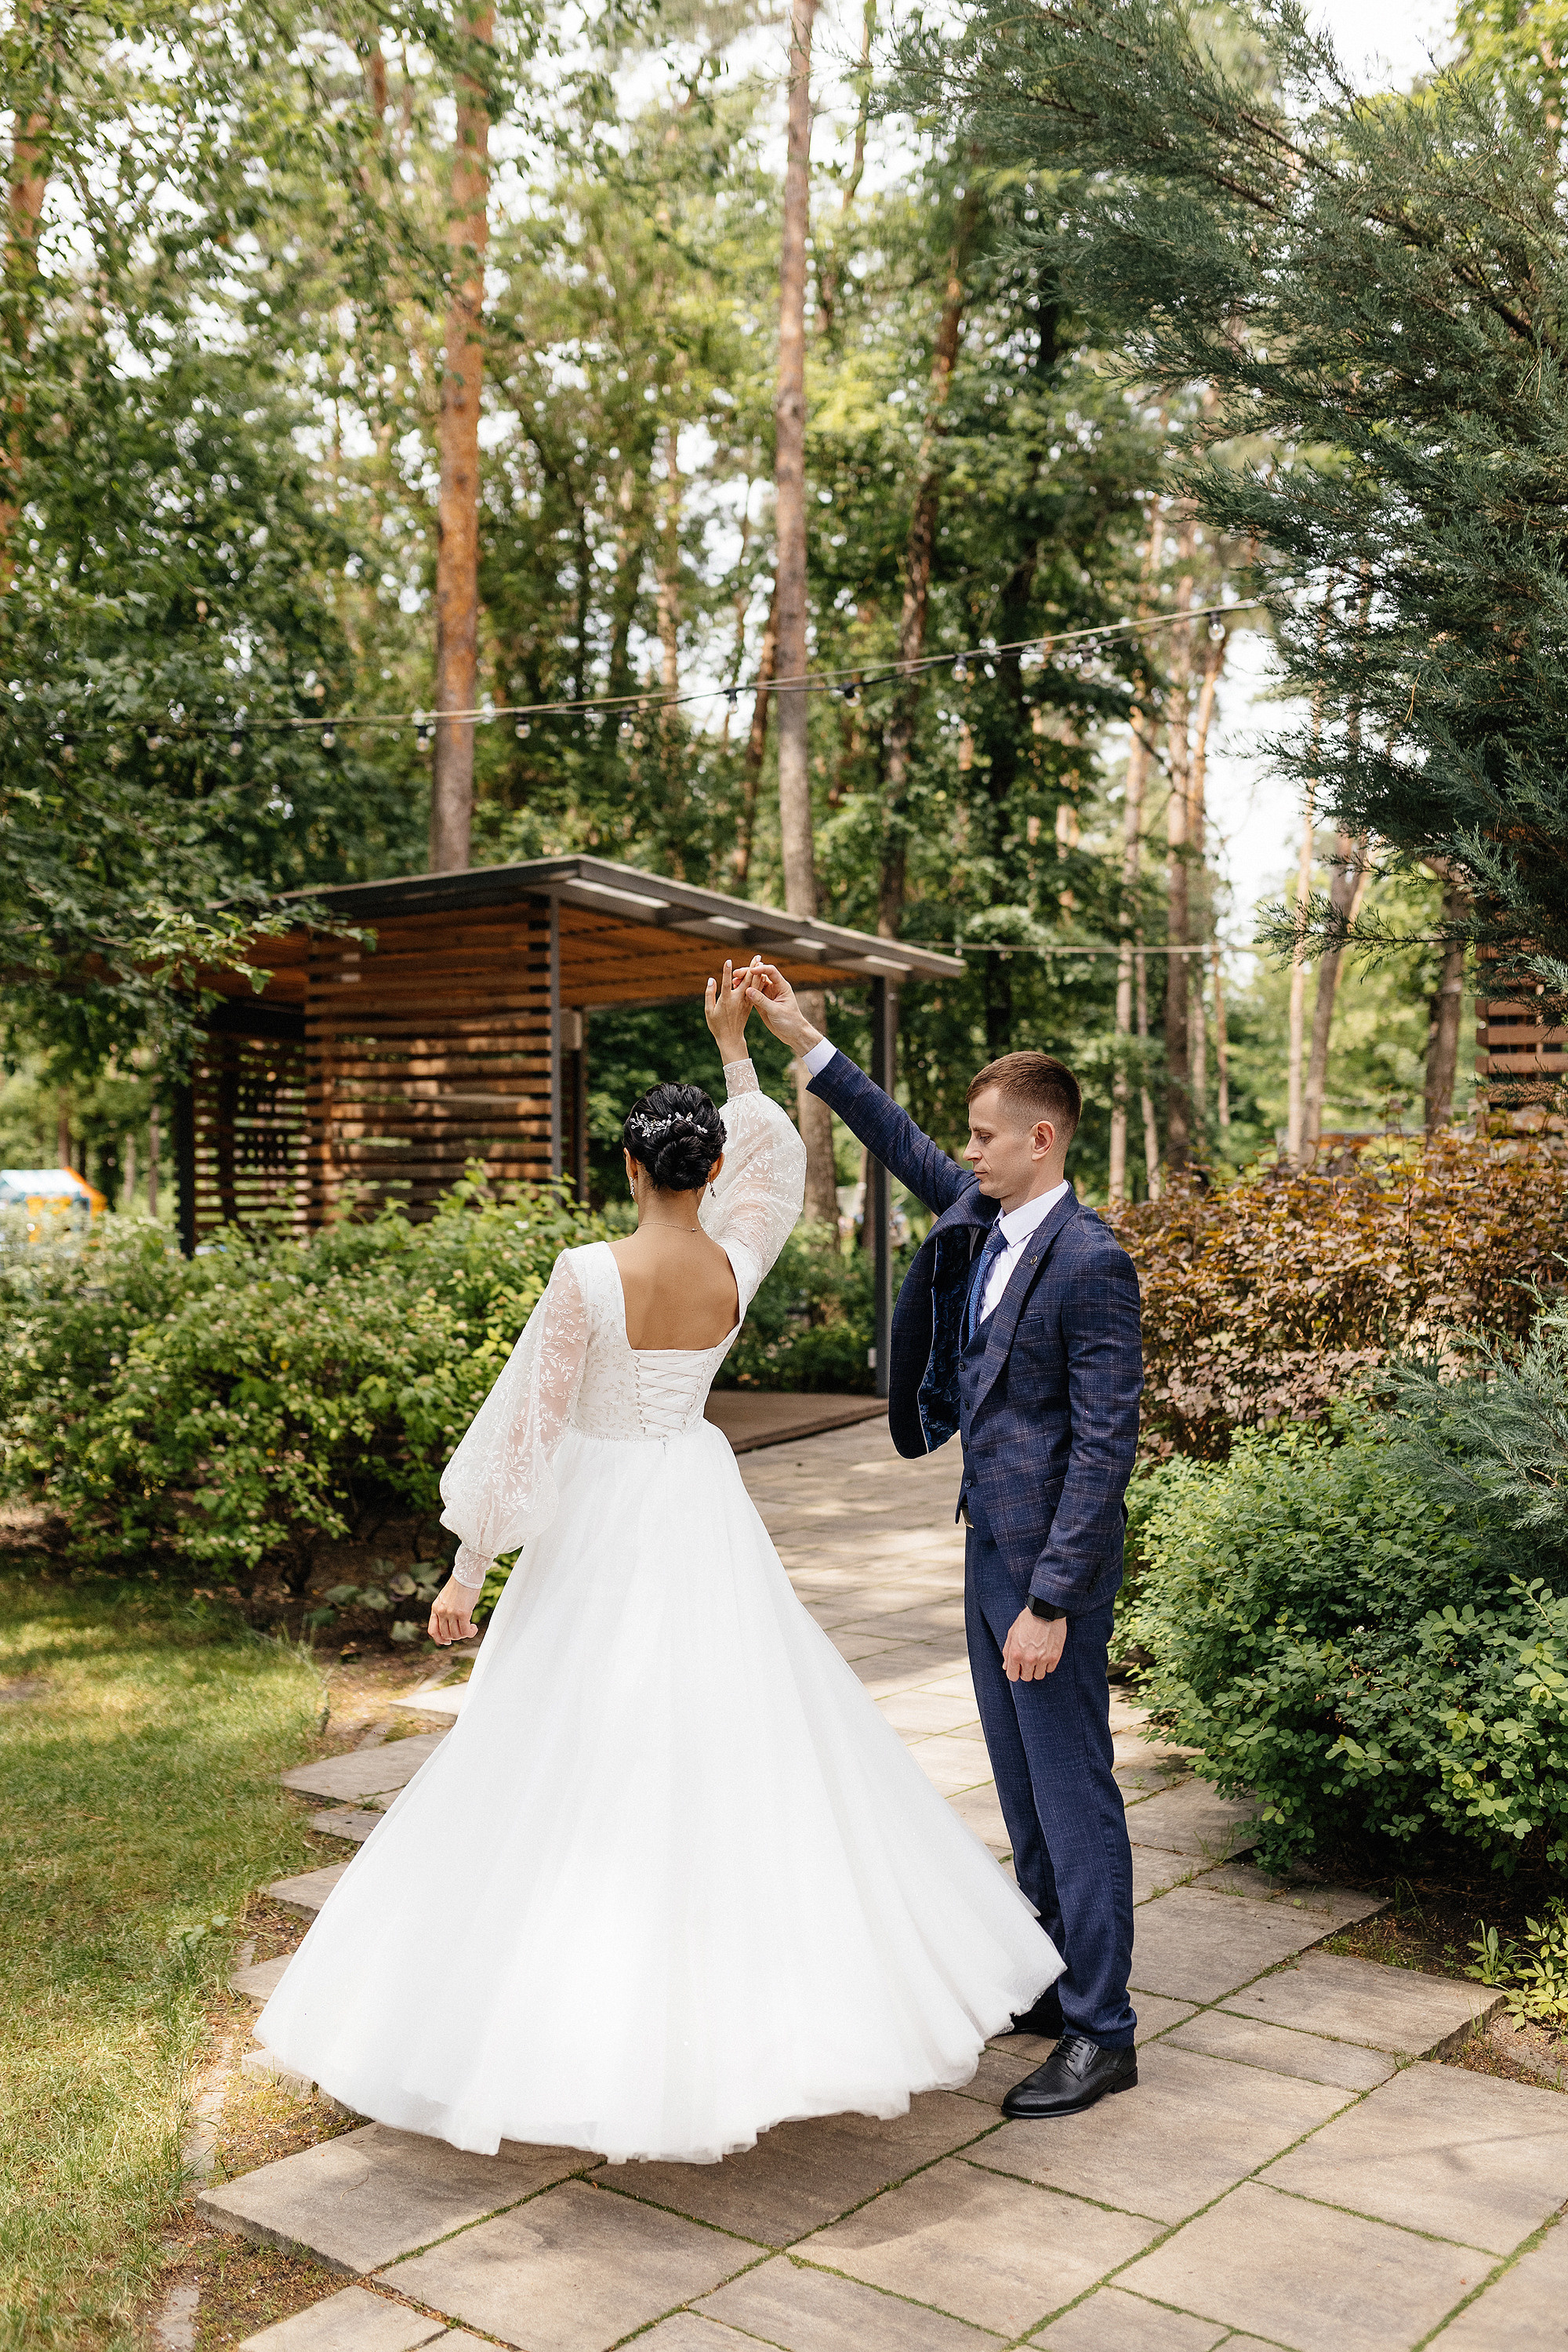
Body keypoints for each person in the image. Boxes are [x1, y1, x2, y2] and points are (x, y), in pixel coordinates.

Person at [254, 960, 1061, 2165]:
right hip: (693, 1499)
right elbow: (778, 1166)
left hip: (601, 1517)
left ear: (632, 1167)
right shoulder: (737, 1265)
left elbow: (525, 1425)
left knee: (555, 1745)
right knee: (727, 1738)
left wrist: (469, 1569)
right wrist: (742, 1051)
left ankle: (540, 2016)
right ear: (711, 1170)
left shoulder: (588, 1274)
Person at [743, 964, 1143, 2121]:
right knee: (1021, 1797)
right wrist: (804, 1041)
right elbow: (899, 1139)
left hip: (1045, 1576)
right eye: (967, 1138)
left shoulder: (1089, 1261)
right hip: (984, 1549)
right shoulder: (985, 1217)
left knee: (1073, 1796)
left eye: (985, 1136)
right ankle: (1055, 1979)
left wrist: (1053, 1599)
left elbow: (1105, 1451)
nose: (965, 1152)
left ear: (1042, 1137)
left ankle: (1106, 2033)